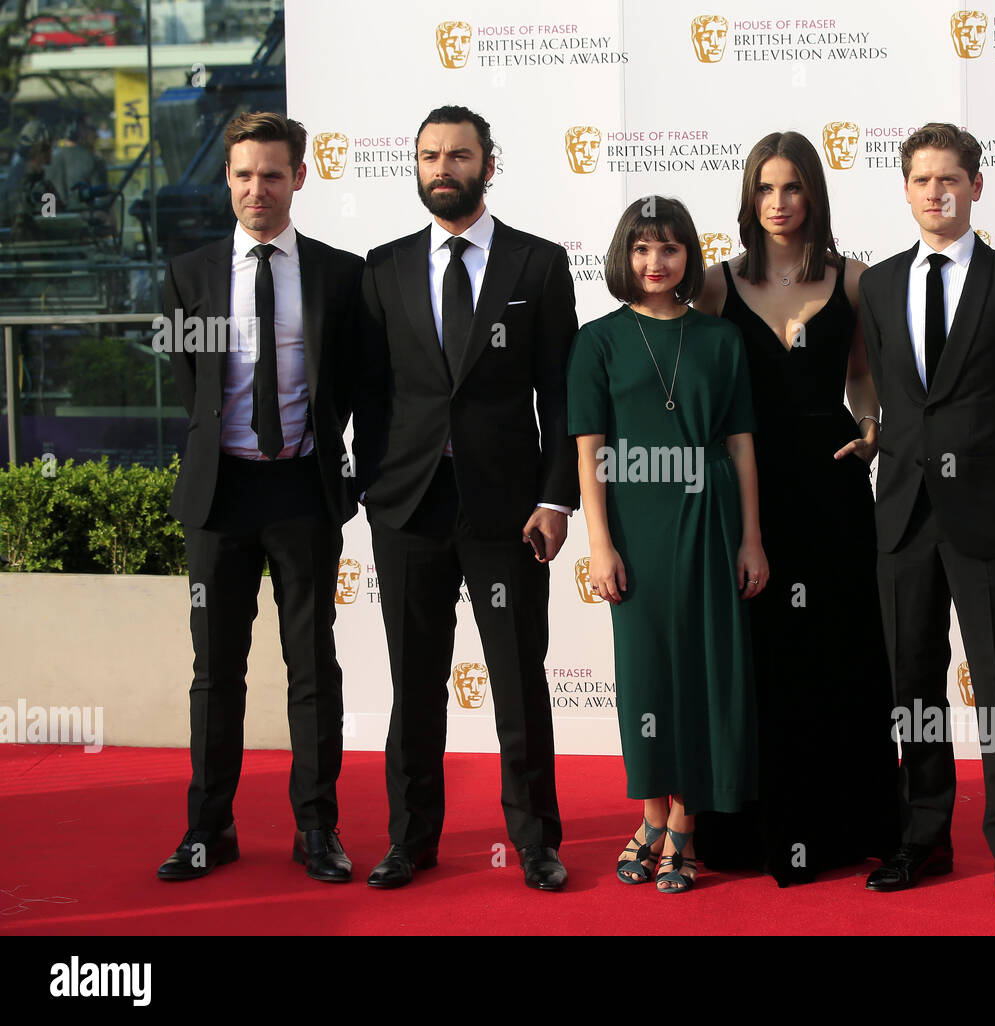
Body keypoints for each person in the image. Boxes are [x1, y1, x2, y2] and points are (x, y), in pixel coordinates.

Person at [353, 105, 578, 891]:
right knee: (413, 685)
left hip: (508, 511)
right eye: (428, 156)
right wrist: (376, 488)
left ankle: (536, 843)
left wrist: (557, 500)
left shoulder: (539, 265)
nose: (442, 168)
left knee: (519, 681)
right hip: (408, 509)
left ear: (489, 162)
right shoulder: (380, 269)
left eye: (458, 155)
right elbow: (369, 395)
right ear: (415, 166)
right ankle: (409, 841)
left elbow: (562, 394)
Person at [858, 123, 995, 911]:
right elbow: (887, 389)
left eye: (950, 178)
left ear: (977, 185)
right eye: (921, 179)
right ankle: (924, 837)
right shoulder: (877, 286)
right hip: (904, 513)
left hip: (987, 514)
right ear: (905, 189)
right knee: (913, 684)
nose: (936, 192)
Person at [156, 112, 363, 884]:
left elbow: (355, 383)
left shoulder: (341, 275)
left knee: (313, 667)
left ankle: (318, 831)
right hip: (220, 497)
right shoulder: (192, 273)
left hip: (303, 489)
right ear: (228, 179)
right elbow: (189, 387)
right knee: (216, 671)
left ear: (299, 178)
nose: (256, 189)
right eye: (243, 174)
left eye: (272, 174)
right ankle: (208, 830)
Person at [693, 130, 901, 885]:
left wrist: (873, 429)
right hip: (751, 493)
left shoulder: (855, 281)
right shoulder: (716, 285)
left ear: (814, 194)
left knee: (842, 654)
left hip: (833, 487)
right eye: (765, 189)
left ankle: (849, 825)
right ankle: (750, 832)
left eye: (792, 188)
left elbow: (865, 379)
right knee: (759, 660)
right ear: (749, 198)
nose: (778, 204)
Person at [568, 195, 767, 893]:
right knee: (647, 674)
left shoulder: (721, 339)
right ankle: (650, 815)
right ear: (625, 255)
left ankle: (684, 825)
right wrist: (600, 544)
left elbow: (742, 446)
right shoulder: (595, 340)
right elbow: (589, 454)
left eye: (671, 249)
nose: (656, 263)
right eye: (643, 249)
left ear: (690, 258)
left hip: (711, 518)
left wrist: (752, 539)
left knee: (706, 674)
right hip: (635, 524)